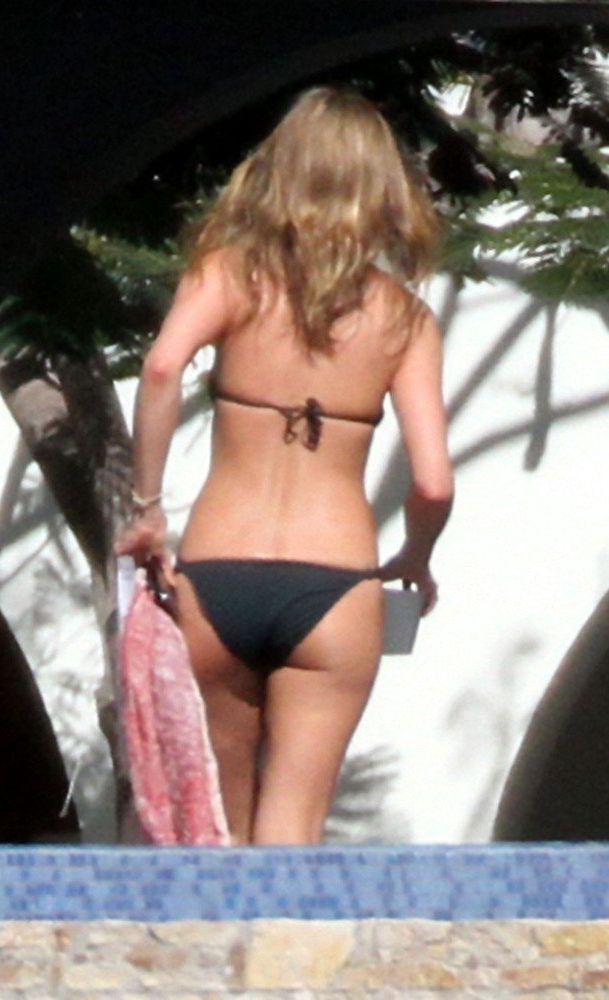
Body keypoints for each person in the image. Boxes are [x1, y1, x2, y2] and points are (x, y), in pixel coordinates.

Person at [115, 86, 454, 846]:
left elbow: (162, 367)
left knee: (218, 834)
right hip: (335, 585)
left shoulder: (229, 273)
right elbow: (433, 481)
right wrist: (416, 555)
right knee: (292, 833)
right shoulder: (405, 319)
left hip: (216, 574)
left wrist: (148, 508)